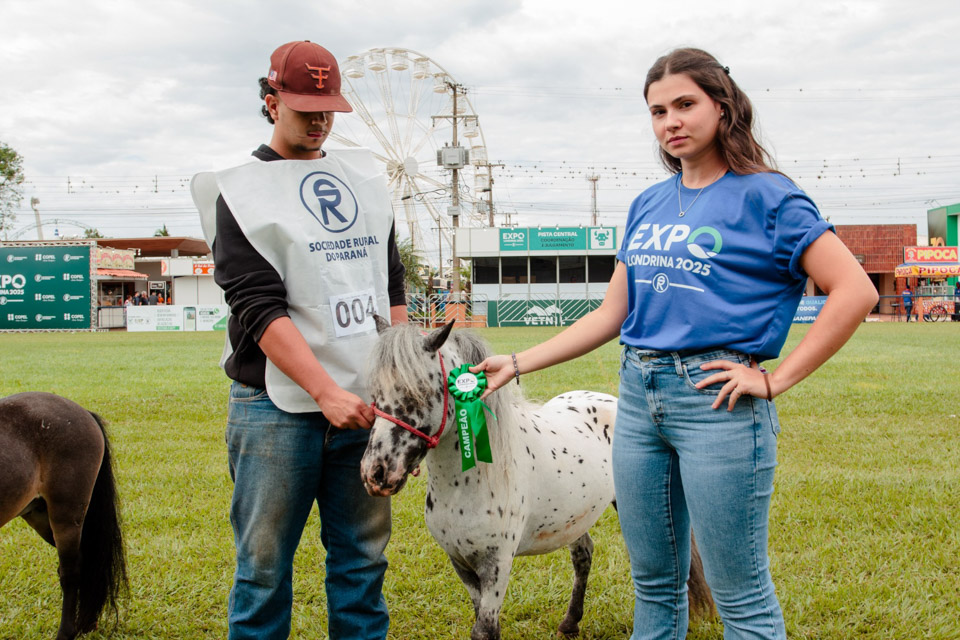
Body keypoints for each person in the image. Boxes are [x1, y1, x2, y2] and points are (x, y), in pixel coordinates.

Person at [472, 48, 877, 640]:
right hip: (637, 401)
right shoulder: (649, 203)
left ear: (723, 105)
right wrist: (516, 361)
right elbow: (613, 314)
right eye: (658, 111)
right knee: (655, 585)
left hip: (717, 405)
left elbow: (856, 291)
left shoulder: (767, 196)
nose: (671, 122)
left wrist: (774, 378)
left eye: (685, 105)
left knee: (741, 596)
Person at [190, 40, 407, 640]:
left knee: (362, 564)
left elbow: (388, 282)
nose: (318, 121)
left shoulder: (363, 179)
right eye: (304, 107)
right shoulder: (239, 192)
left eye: (328, 109)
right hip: (275, 410)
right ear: (270, 100)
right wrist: (325, 392)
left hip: (364, 402)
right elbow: (258, 307)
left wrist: (400, 370)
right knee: (262, 571)